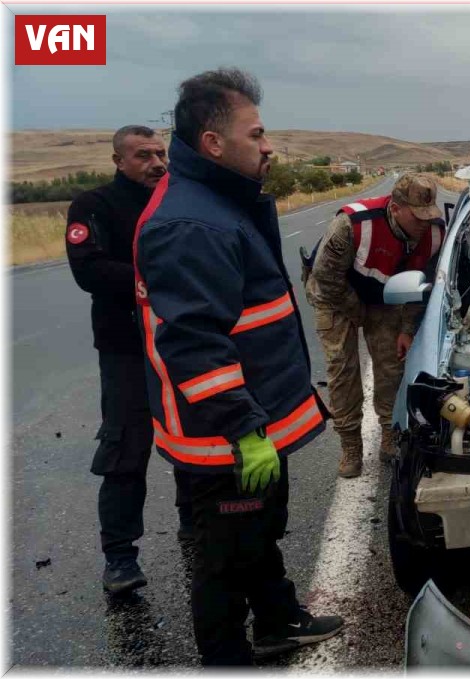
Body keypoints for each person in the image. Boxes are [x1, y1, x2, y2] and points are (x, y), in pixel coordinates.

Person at [134, 68, 342, 665]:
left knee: (255, 534)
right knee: (223, 558)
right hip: (226, 435)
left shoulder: (220, 203)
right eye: (256, 133)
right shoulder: (191, 222)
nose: (268, 144)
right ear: (213, 143)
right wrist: (244, 427)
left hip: (250, 419)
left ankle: (277, 620)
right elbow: (195, 344)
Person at [65, 125, 194, 595]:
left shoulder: (177, 200)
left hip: (179, 342)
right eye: (143, 155)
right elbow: (89, 270)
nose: (156, 163)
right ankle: (119, 557)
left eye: (160, 153)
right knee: (126, 450)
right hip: (126, 349)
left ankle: (193, 524)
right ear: (119, 160)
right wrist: (155, 281)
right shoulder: (94, 206)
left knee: (191, 438)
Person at [302, 174, 442, 478]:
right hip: (335, 295)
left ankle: (390, 436)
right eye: (417, 217)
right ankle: (350, 445)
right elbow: (326, 279)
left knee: (392, 366)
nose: (424, 224)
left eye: (429, 216)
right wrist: (359, 314)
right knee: (343, 371)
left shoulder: (433, 235)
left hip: (384, 296)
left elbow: (419, 288)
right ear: (395, 208)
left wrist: (406, 329)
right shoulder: (351, 225)